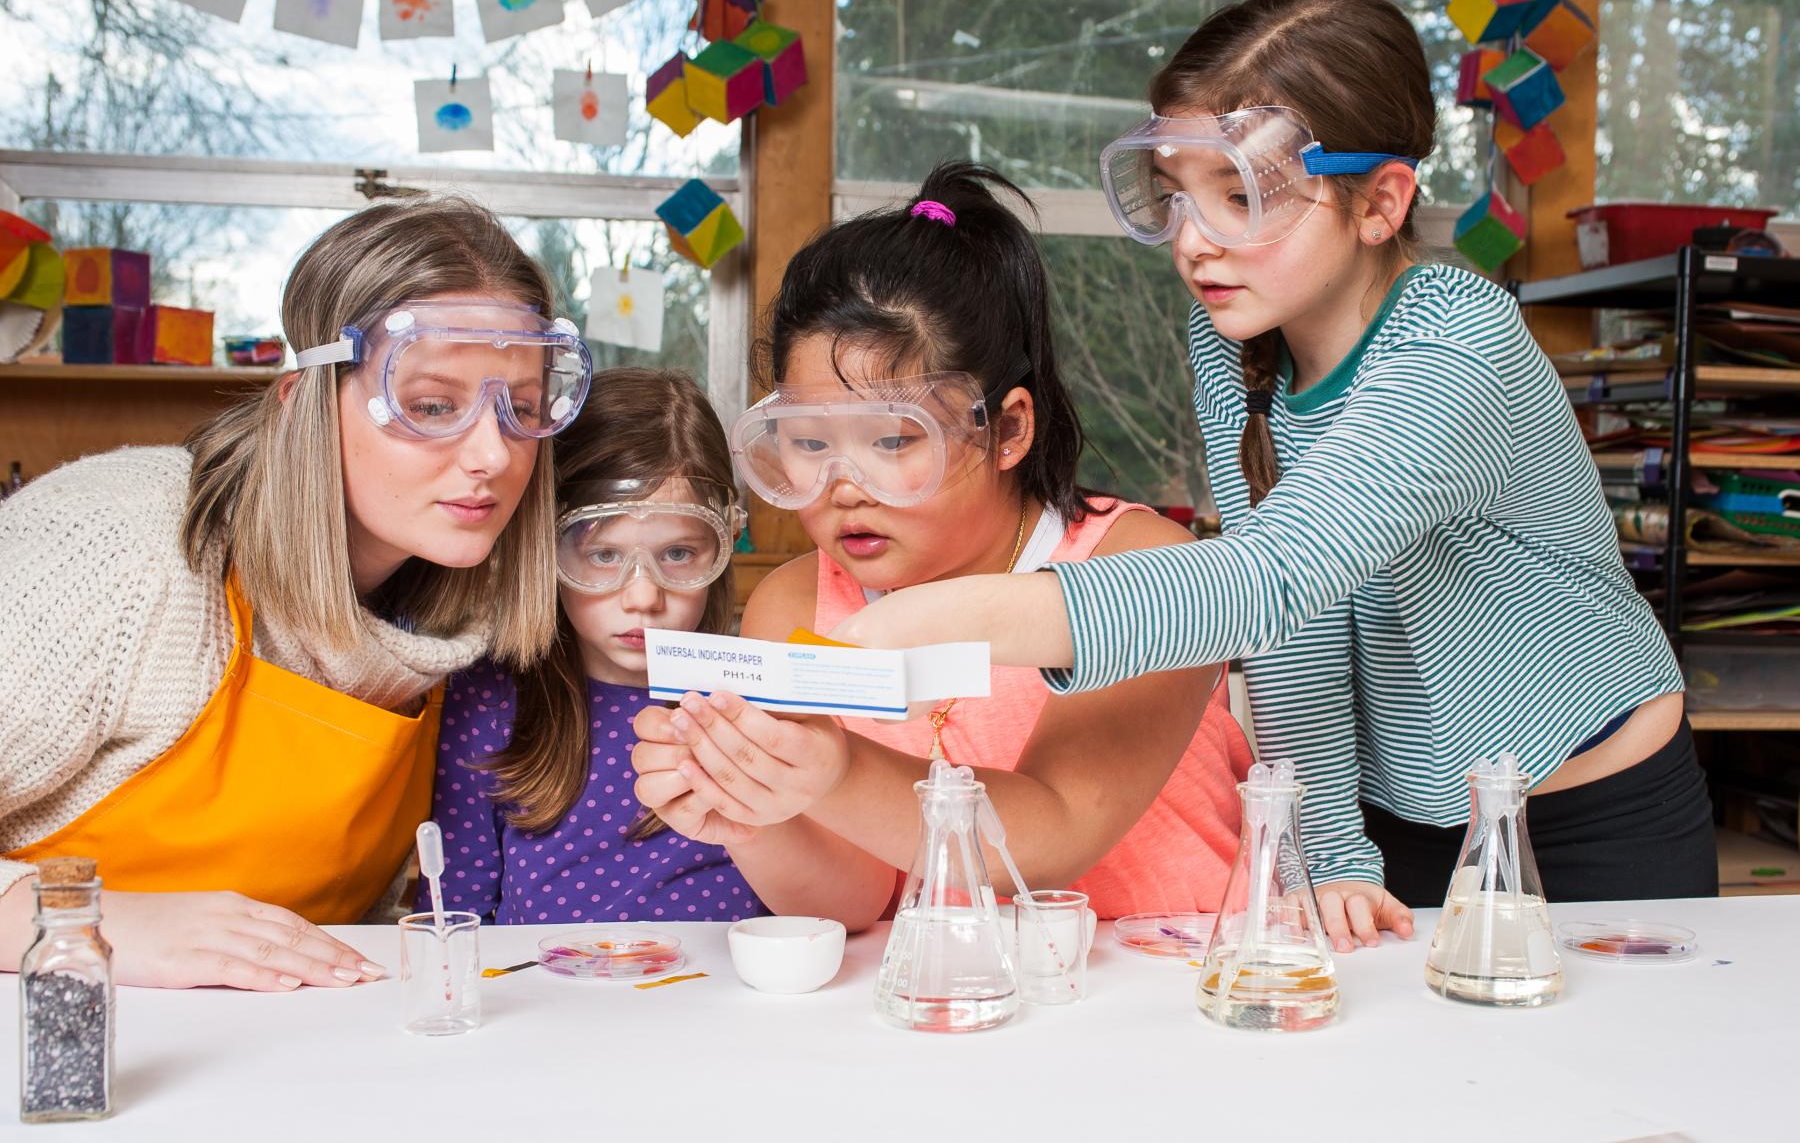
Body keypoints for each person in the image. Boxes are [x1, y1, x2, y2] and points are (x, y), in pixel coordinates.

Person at [820, 0, 1716, 951]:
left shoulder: (1461, 340)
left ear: (1380, 202)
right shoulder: (1235, 343)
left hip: (1592, 814)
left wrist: (940, 620)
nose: (1194, 241)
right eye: (1175, 193)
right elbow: (1297, 628)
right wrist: (1331, 849)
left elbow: (1265, 580)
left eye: (1239, 194)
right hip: (1400, 817)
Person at [631, 162, 1251, 928]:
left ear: (1010, 430)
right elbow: (857, 903)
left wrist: (836, 770)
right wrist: (750, 809)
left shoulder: (1142, 566)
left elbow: (1051, 835)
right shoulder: (797, 600)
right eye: (806, 441)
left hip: (1167, 987)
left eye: (894, 439)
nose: (842, 485)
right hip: (942, 1004)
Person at [0, 195, 586, 988]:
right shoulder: (123, 543)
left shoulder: (464, 617)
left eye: (518, 408)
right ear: (301, 401)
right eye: (432, 406)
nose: (492, 453)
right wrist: (85, 922)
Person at [424, 367, 766, 925]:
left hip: (715, 1007)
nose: (643, 597)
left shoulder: (753, 701)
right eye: (604, 555)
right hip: (543, 1006)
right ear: (547, 550)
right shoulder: (489, 699)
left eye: (678, 554)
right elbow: (453, 914)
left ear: (721, 546)